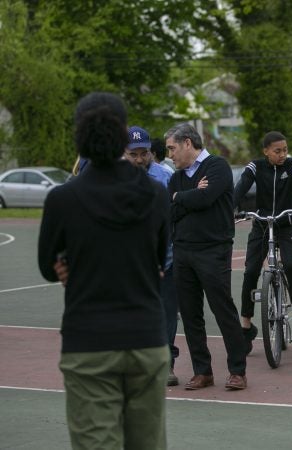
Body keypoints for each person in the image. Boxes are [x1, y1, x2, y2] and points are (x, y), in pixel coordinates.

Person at [38, 92, 170, 449]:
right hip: (145, 336)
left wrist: (71, 267)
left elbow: (47, 266)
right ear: (123, 133)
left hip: (89, 341)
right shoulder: (155, 194)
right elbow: (159, 259)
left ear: (78, 134)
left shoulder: (62, 200)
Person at [166, 122, 248, 390]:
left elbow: (206, 199)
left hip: (213, 250)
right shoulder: (176, 177)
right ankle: (203, 372)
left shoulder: (217, 166)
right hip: (183, 251)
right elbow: (171, 211)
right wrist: (187, 196)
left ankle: (238, 371)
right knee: (190, 314)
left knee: (223, 310)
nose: (170, 155)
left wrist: (182, 198)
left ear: (187, 143)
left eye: (172, 148)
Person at [233, 131, 292, 351]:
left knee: (291, 266)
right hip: (261, 225)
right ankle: (246, 325)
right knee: (251, 271)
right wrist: (230, 206)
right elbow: (241, 186)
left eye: (285, 150)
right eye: (277, 151)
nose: (282, 154)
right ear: (266, 151)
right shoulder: (255, 167)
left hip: (286, 224)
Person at [124, 126, 180, 386]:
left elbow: (175, 214)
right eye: (133, 154)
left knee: (167, 313)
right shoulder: (112, 178)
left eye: (144, 153)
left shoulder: (166, 175)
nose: (139, 159)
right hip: (130, 263)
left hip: (165, 259)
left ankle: (167, 362)